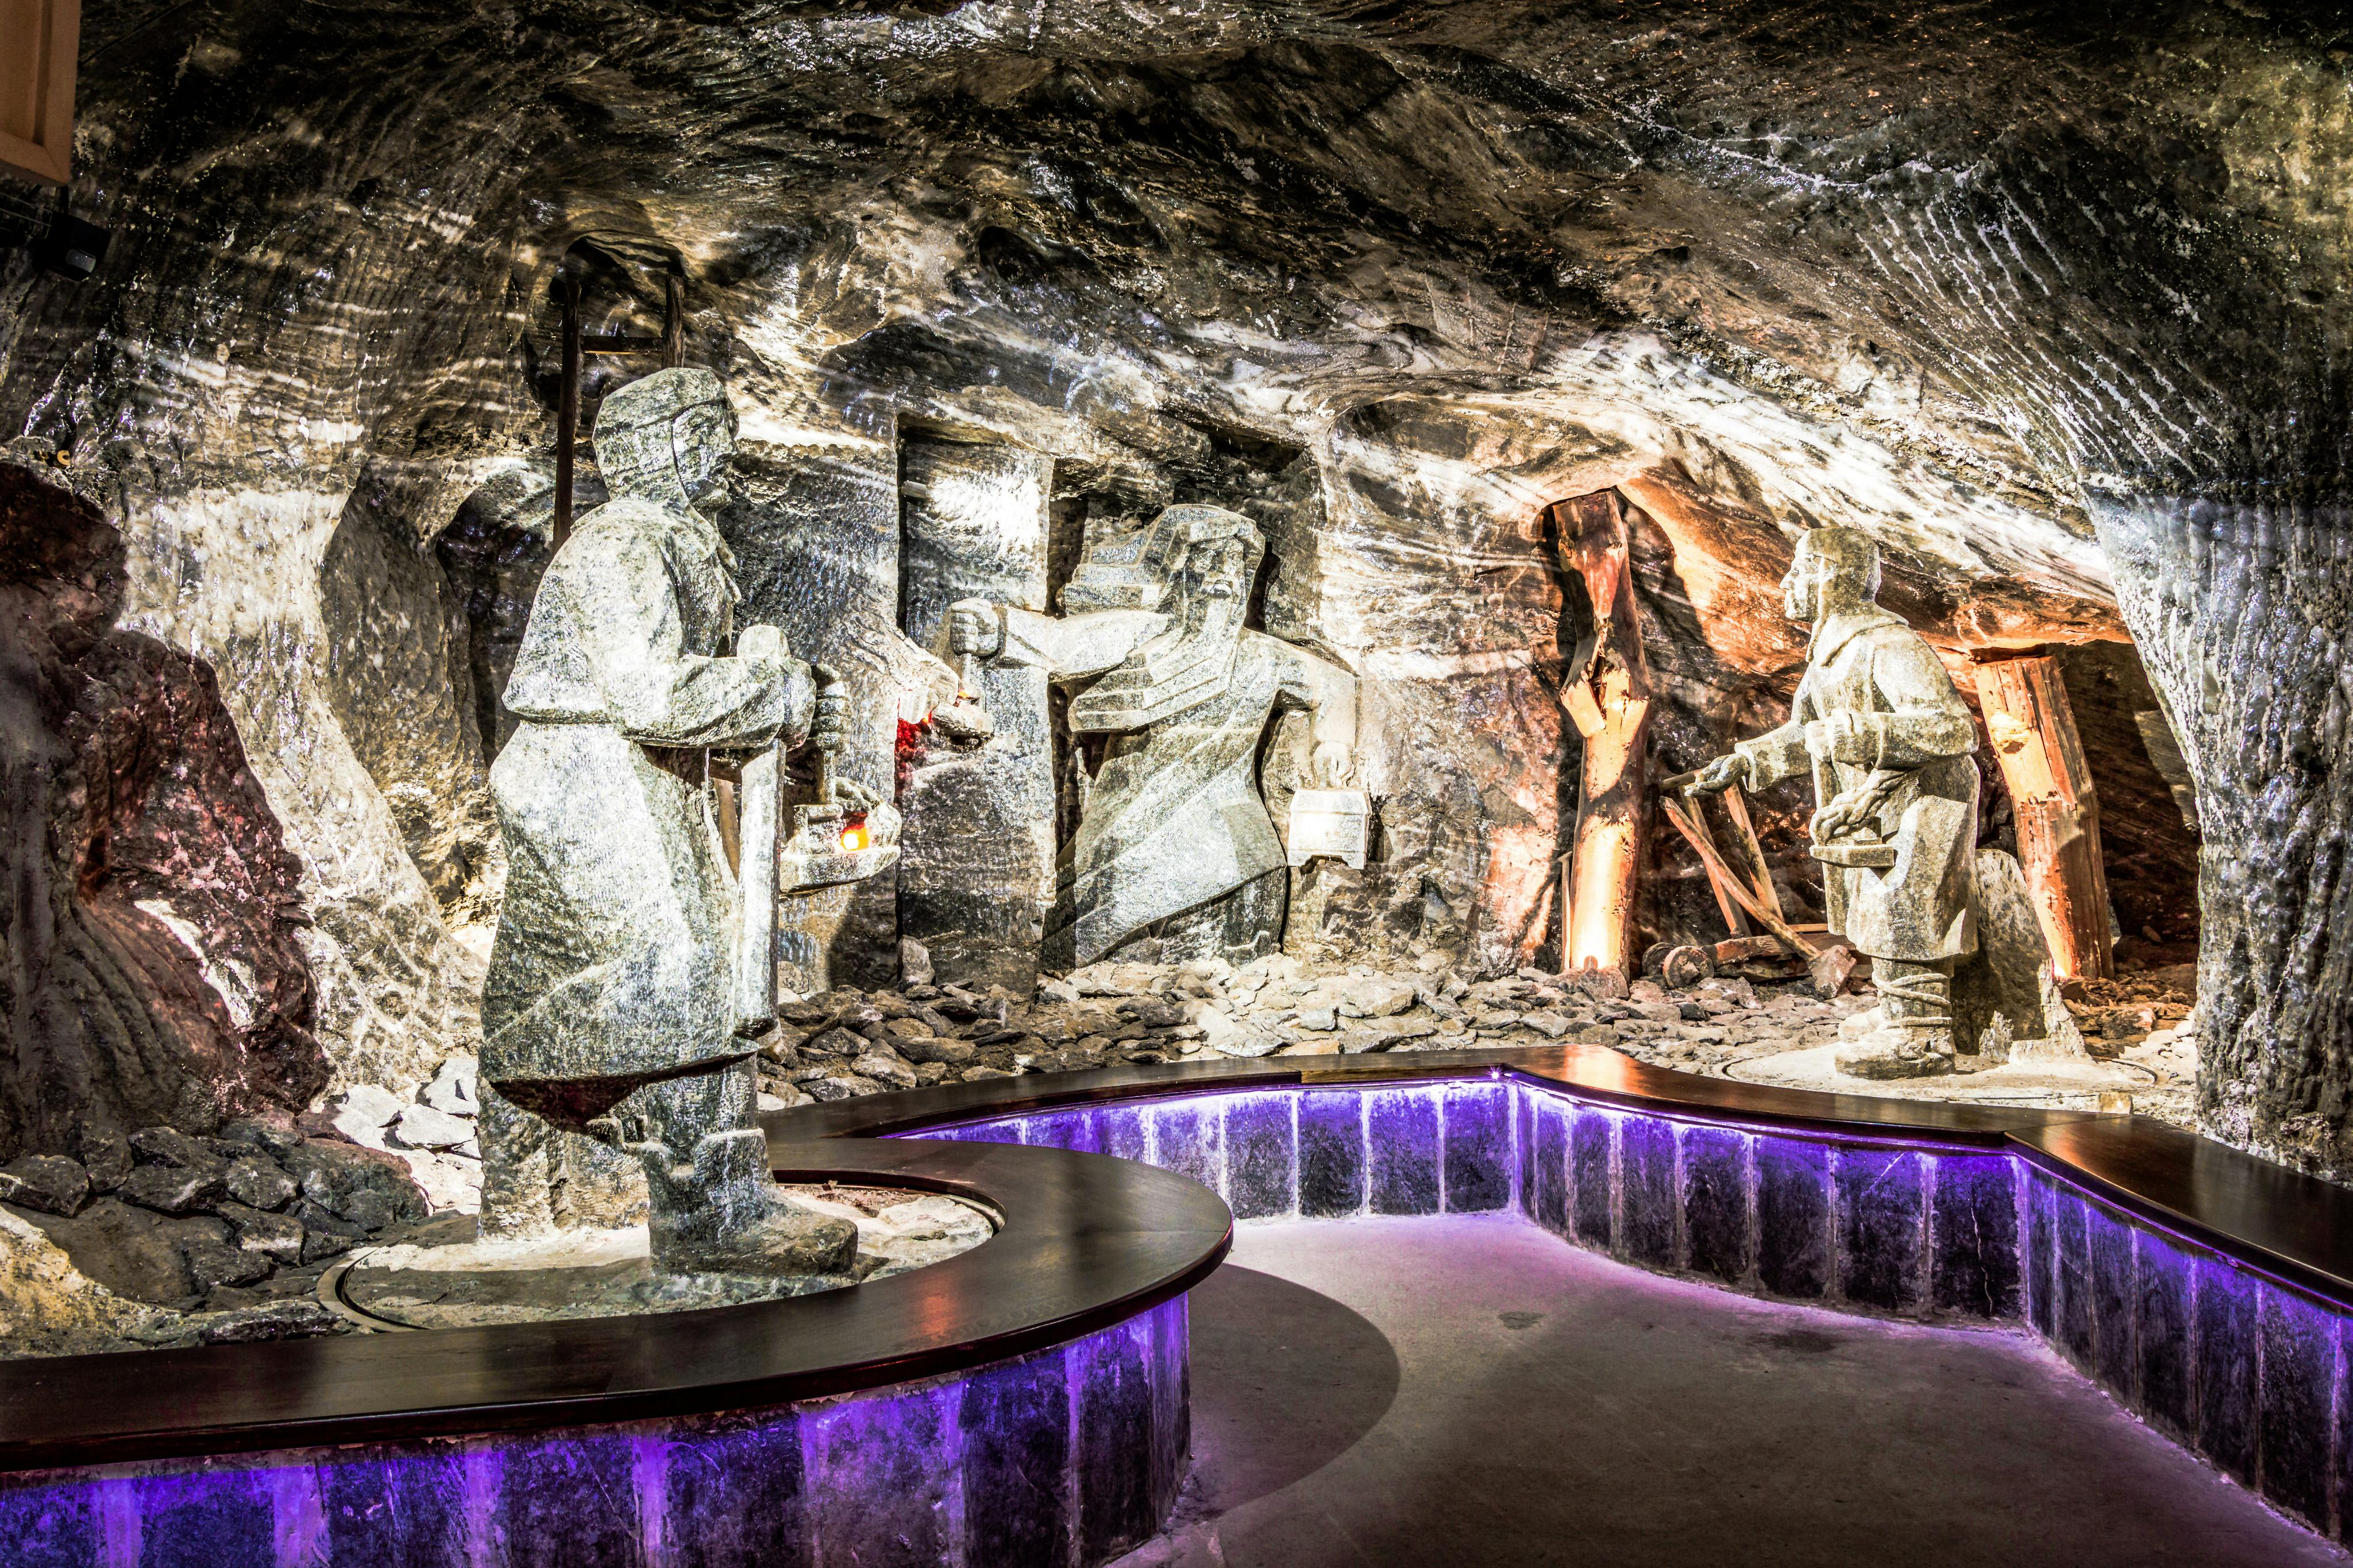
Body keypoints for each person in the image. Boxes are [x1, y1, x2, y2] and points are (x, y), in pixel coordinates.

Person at [480, 366, 859, 1273]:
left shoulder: (668, 539)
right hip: (592, 778)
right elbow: (652, 692)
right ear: (672, 447)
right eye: (709, 437)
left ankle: (687, 1186)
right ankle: (704, 1214)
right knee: (680, 966)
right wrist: (779, 690)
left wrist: (784, 703)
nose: (726, 457)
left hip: (633, 774)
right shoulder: (617, 544)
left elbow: (682, 697)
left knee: (694, 963)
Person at [947, 505, 1356, 968]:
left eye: (1236, 563)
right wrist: (998, 630)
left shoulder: (1267, 658)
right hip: (1131, 824)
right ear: (1181, 569)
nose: (1224, 574)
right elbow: (1062, 645)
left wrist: (1334, 743)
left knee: (1243, 887)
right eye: (1210, 557)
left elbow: (1336, 685)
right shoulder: (1141, 631)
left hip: (1233, 831)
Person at [1684, 527, 1978, 1079]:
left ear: (1824, 574)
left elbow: (1953, 729)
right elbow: (1809, 733)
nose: (1785, 585)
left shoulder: (1888, 645)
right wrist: (1746, 760)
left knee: (1904, 906)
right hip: (1873, 803)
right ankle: (1901, 1010)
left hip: (1923, 799)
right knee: (1877, 904)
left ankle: (1923, 1035)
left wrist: (1855, 735)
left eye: (1795, 572)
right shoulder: (1831, 656)